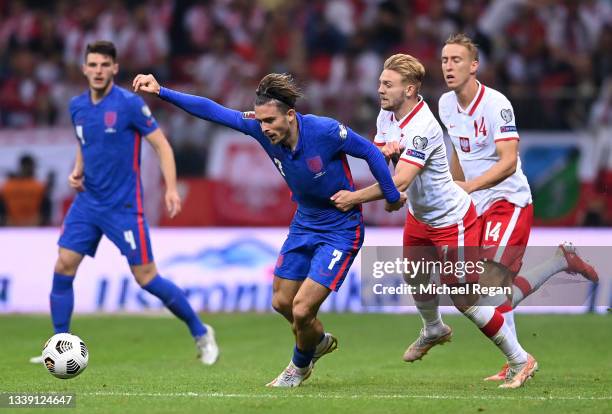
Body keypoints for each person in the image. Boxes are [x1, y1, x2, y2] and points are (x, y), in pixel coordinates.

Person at [132, 71, 405, 387]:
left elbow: (371, 152)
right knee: (281, 303)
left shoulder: (324, 130)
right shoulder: (261, 129)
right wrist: (162, 91)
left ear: (290, 115)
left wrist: (391, 194)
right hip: (304, 223)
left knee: (302, 310)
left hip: (341, 229)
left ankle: (298, 368)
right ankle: (316, 342)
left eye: (270, 121)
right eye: (260, 122)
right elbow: (213, 110)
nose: (264, 128)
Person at [331, 53, 538, 389]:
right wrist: (388, 165)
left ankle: (520, 360)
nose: (379, 89)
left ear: (410, 89)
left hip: (451, 219)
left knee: (465, 298)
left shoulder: (423, 127)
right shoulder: (388, 115)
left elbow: (398, 181)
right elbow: (380, 157)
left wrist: (355, 197)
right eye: (380, 82)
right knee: (414, 276)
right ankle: (433, 329)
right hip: (419, 214)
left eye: (388, 84)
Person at [29, 41, 219, 366]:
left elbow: (162, 146)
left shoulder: (129, 104)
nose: (99, 70)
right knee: (63, 265)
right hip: (88, 203)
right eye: (93, 64)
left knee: (146, 277)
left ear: (115, 68)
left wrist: (171, 188)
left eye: (105, 65)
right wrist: (78, 168)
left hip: (123, 207)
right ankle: (60, 342)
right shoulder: (77, 106)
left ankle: (201, 331)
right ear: (85, 68)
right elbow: (84, 141)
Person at [438, 33, 597, 386]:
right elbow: (459, 154)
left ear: (474, 65)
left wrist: (471, 187)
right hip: (474, 204)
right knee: (475, 295)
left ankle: (520, 361)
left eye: (456, 60)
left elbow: (509, 162)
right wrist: (453, 193)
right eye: (445, 60)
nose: (449, 66)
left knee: (492, 288)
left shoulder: (497, 104)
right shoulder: (446, 105)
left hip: (507, 200)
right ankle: (559, 263)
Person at [0, 154, 49, 226]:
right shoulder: (38, 186)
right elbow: (2, 207)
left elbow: (45, 207)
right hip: (12, 226)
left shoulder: (8, 185)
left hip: (32, 226)